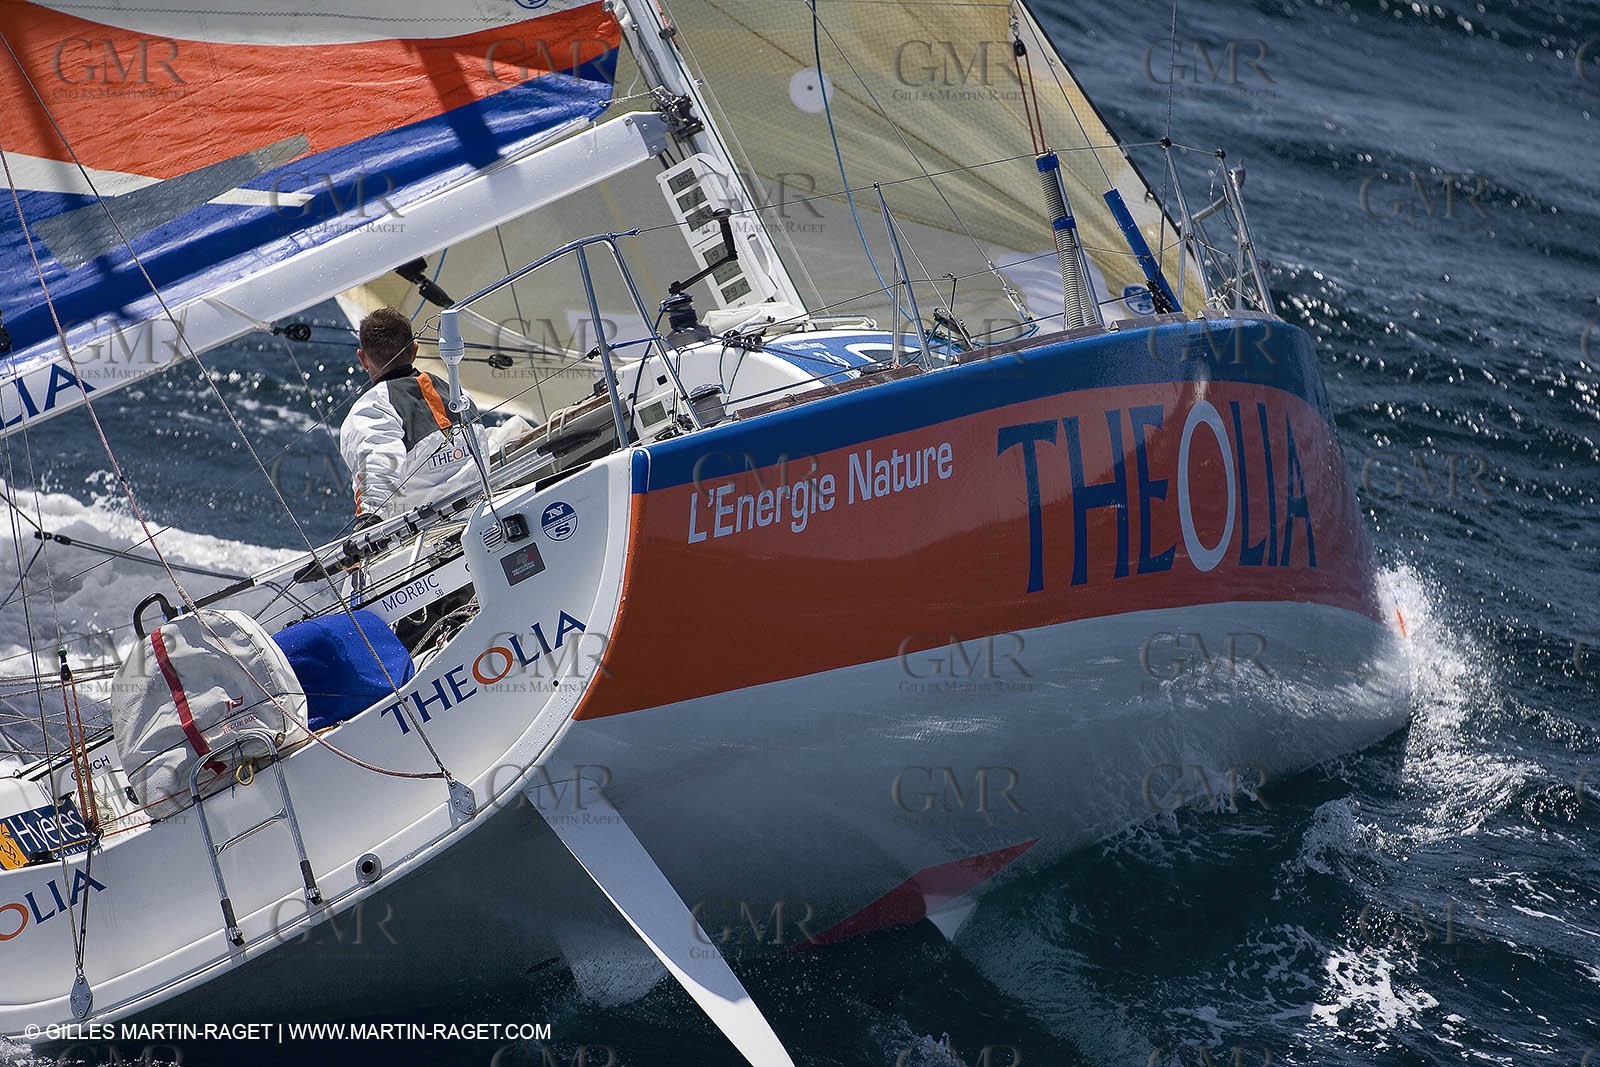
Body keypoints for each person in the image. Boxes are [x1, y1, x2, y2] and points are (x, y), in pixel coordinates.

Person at [339, 307, 487, 525]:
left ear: (363, 359)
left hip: (428, 539)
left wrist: (369, 518)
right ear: (415, 350)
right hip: (483, 516)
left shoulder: (373, 407)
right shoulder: (460, 394)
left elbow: (377, 459)